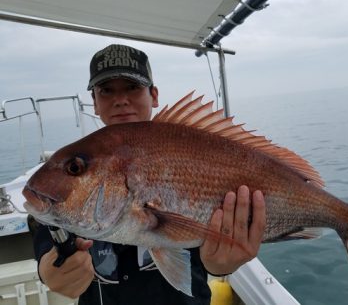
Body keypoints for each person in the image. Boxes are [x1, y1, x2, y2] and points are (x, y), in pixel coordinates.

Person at [32, 44, 266, 304]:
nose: (120, 99)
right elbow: (49, 246)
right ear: (95, 103)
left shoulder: (190, 142)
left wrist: (221, 266)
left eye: (132, 87)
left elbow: (212, 261)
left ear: (154, 95)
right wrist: (52, 272)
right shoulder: (84, 166)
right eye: (106, 90)